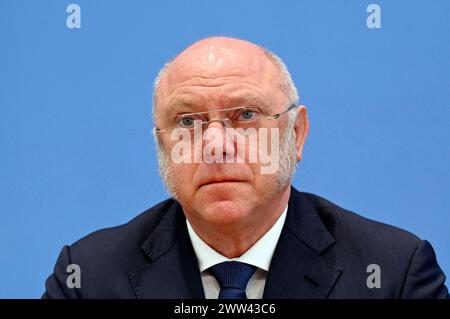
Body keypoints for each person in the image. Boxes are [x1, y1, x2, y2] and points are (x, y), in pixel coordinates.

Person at [43, 36, 448, 299]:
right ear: (161, 143)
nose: (216, 145)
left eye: (246, 115)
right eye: (187, 122)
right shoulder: (86, 278)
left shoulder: (395, 275)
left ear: (297, 133)